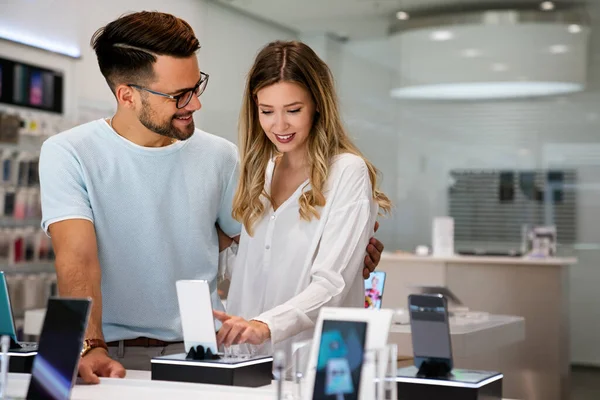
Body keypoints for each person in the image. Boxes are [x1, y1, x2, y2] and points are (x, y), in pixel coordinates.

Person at [38, 11, 384, 383]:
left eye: (196, 86)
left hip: (211, 351)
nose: (195, 105)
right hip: (118, 353)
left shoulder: (224, 157)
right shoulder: (68, 152)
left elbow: (246, 247)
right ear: (127, 95)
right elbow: (77, 259)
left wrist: (346, 251)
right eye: (178, 95)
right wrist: (90, 344)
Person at [212, 41, 392, 363]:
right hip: (245, 360)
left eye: (293, 110)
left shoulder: (347, 172)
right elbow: (245, 270)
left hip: (317, 363)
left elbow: (332, 283)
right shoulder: (260, 173)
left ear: (317, 105)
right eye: (267, 111)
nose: (279, 126)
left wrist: (265, 325)